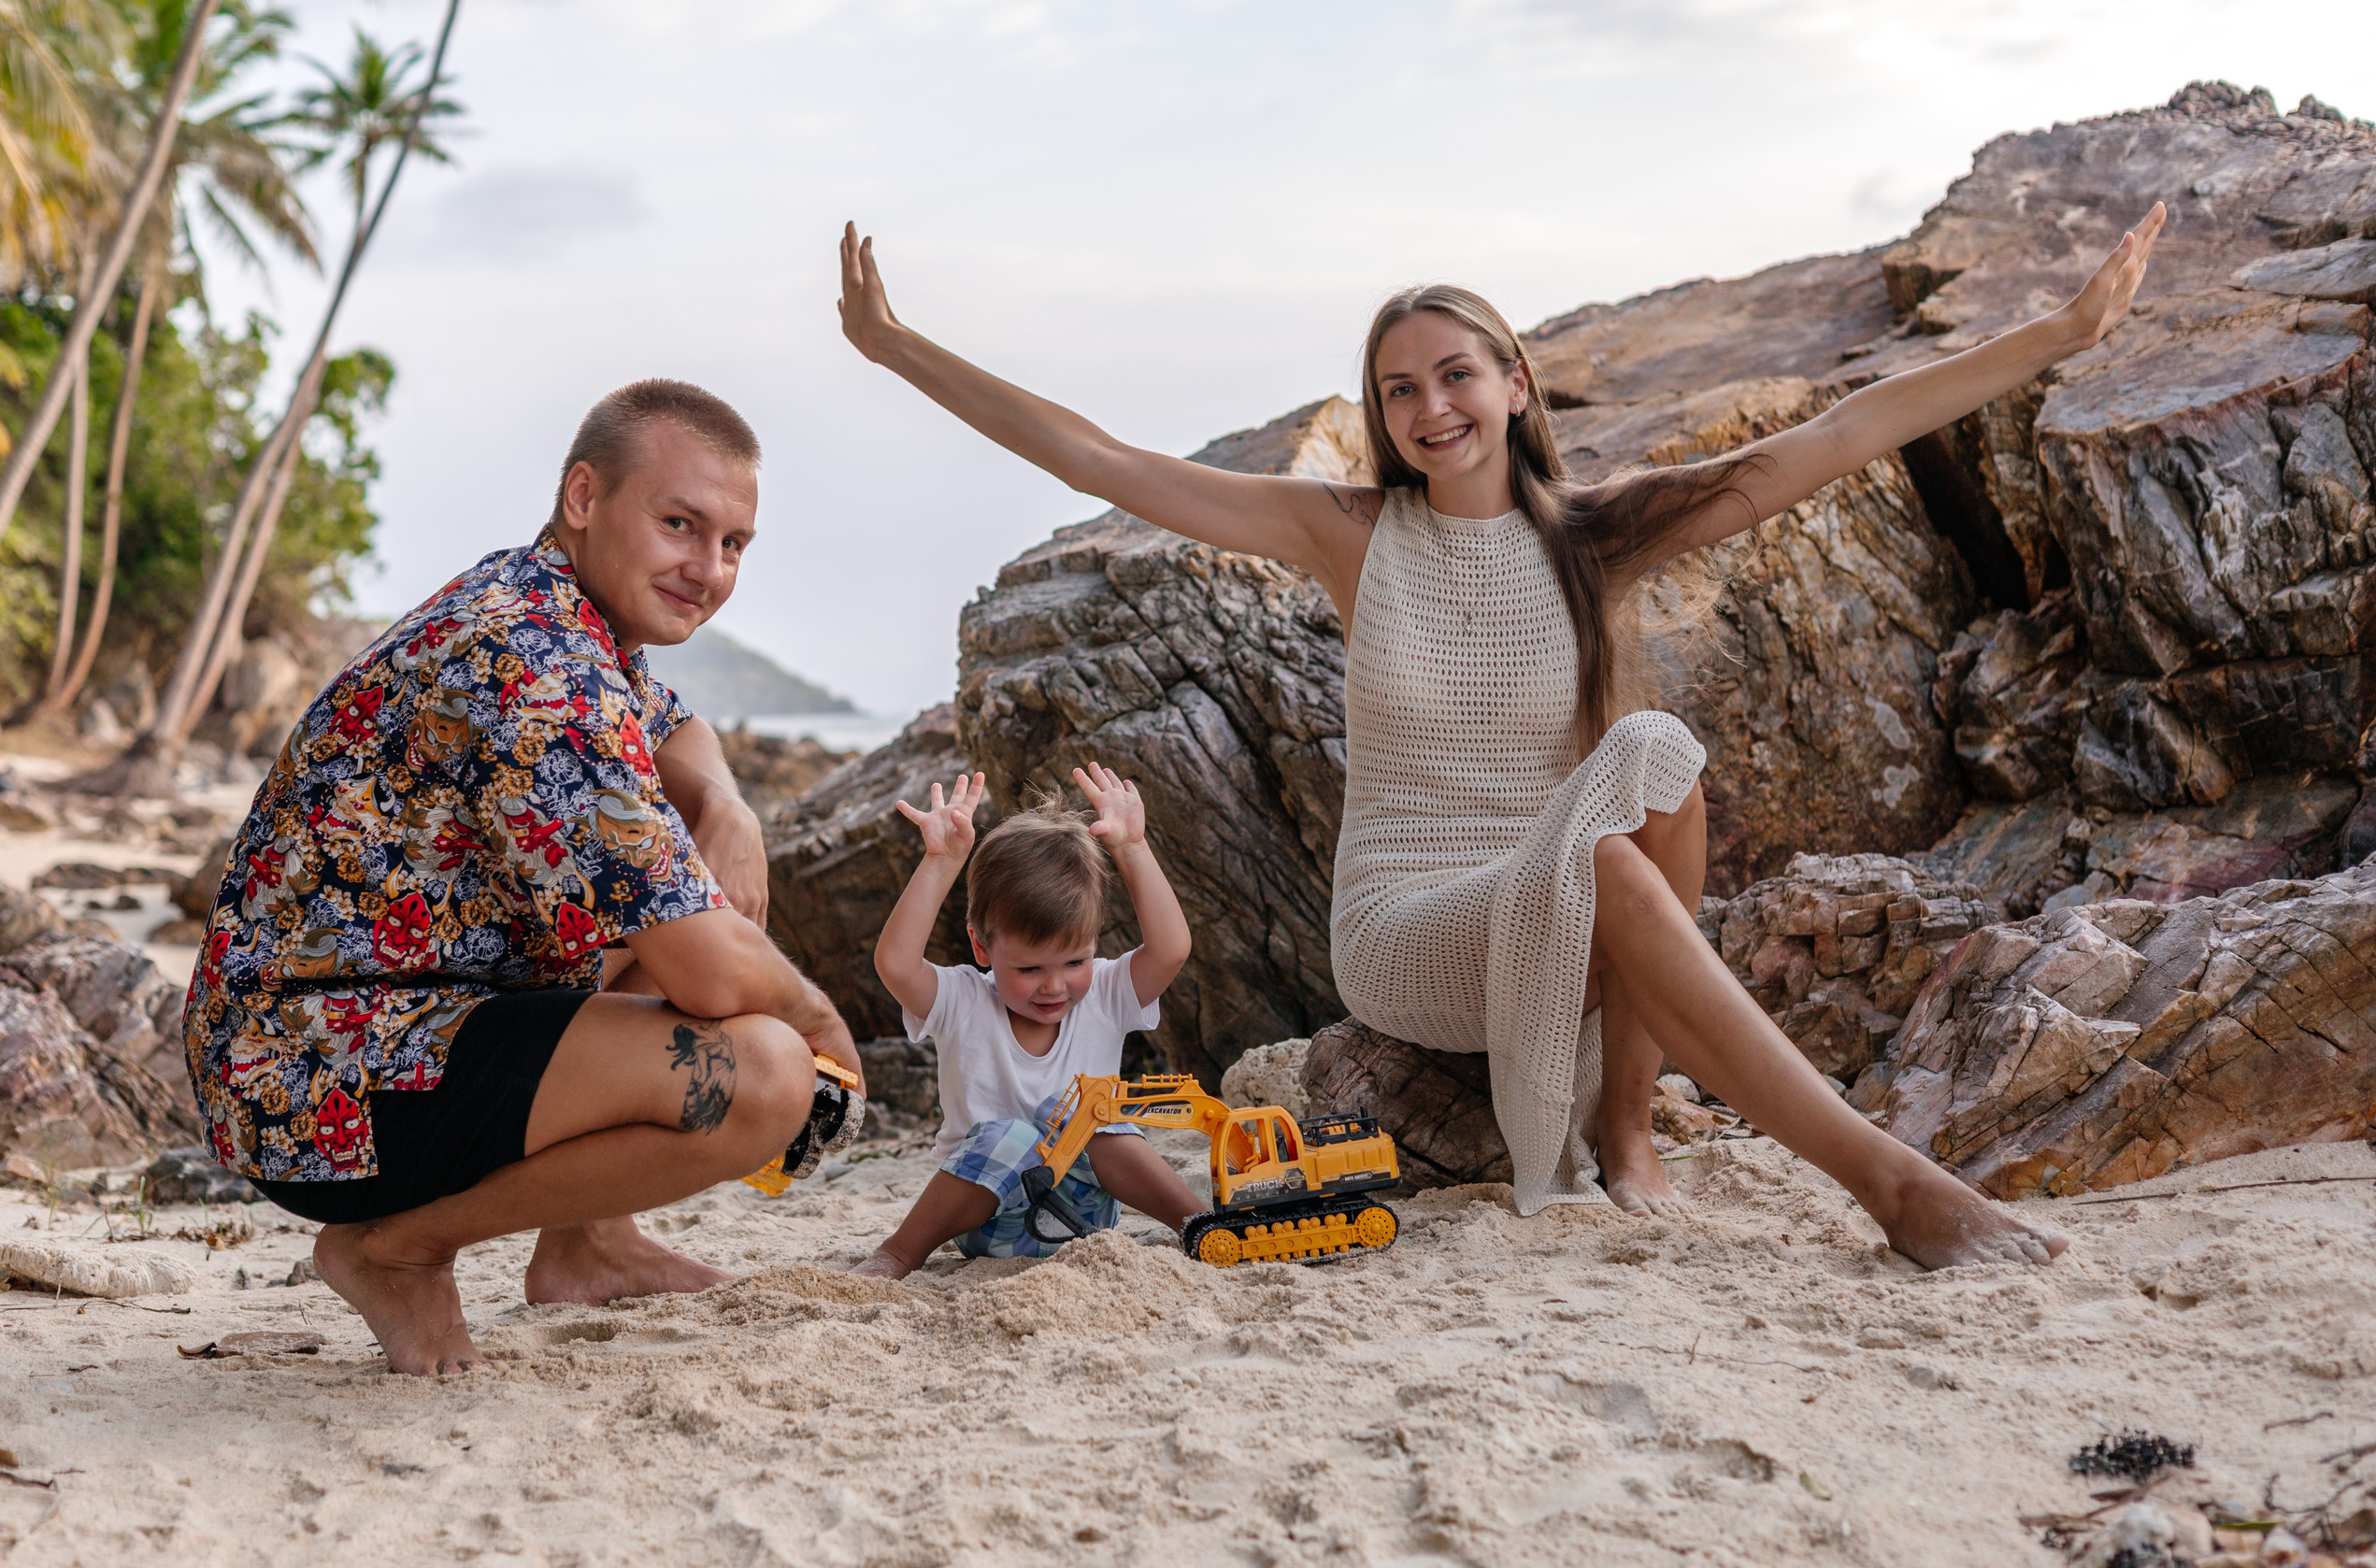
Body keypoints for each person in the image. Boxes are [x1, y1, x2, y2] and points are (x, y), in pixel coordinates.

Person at [835, 204, 2170, 1268]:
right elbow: (1104, 460)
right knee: (1609, 849)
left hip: (1568, 885)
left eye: (1455, 373)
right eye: (1399, 388)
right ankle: (1895, 1186)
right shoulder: (1349, 534)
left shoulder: (1597, 536)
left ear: (1515, 380)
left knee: (1654, 754)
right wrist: (902, 348)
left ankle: (1628, 1127)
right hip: (1408, 919)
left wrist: (2059, 330)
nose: (1429, 409)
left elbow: (1839, 435)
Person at [184, 378, 864, 1376]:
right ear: (584, 498)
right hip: (306, 1076)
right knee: (762, 1075)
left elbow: (680, 729)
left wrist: (728, 806)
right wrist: (818, 1020)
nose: (708, 569)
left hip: (353, 1029)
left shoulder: (560, 612)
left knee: (652, 900)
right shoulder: (535, 660)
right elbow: (714, 974)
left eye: (732, 545)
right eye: (679, 524)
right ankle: (398, 1251)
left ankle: (589, 1240)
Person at [850, 764, 1206, 1278]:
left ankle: (1200, 1223)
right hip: (989, 1216)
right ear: (981, 947)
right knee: (1013, 1136)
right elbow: (896, 964)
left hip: (1085, 1217)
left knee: (1093, 1116)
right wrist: (941, 862)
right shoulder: (962, 1001)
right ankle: (898, 1253)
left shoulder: (1105, 994)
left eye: (1074, 962)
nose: (1055, 986)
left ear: (1094, 944)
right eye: (1030, 968)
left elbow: (1171, 949)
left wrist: (1132, 848)